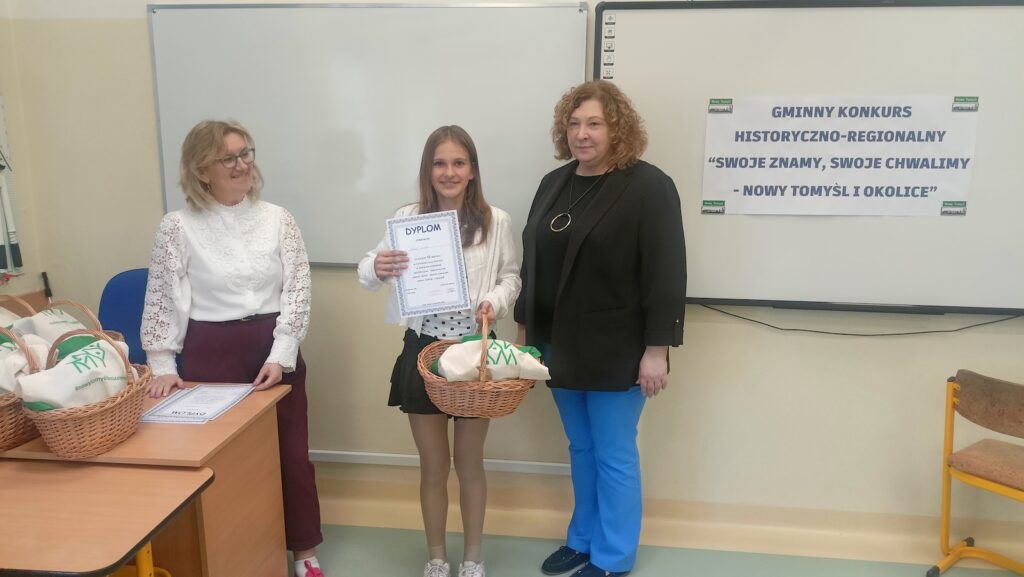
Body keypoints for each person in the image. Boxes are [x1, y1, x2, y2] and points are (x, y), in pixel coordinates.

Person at [514, 81, 686, 577]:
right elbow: (533, 264)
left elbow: (666, 273)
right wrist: (524, 336)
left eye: (594, 123)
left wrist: (657, 351)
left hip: (619, 349)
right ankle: (582, 539)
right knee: (582, 448)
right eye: (574, 124)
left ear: (618, 129)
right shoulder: (554, 183)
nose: (581, 134)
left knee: (613, 453)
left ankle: (613, 557)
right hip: (557, 345)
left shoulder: (649, 186)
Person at [140, 120, 325, 577]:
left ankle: (304, 552)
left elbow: (298, 289)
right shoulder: (177, 226)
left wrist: (281, 353)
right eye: (229, 158)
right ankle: (239, 556)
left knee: (290, 455)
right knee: (225, 464)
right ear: (202, 170)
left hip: (274, 349)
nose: (242, 165)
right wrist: (162, 363)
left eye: (246, 153)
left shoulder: (278, 219)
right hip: (212, 354)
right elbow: (163, 296)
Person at [358, 125, 520, 577]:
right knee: (432, 466)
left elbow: (511, 276)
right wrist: (378, 266)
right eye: (439, 163)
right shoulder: (408, 218)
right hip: (424, 350)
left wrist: (496, 301)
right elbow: (367, 271)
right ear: (428, 170)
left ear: (473, 171)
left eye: (458, 163)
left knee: (469, 464)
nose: (449, 172)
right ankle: (436, 557)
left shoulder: (497, 221)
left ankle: (472, 557)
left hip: (474, 350)